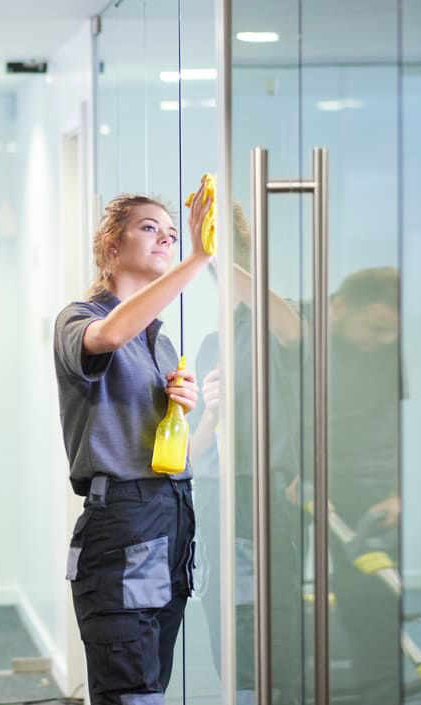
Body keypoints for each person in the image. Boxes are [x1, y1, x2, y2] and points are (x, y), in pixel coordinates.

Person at [53, 188, 211, 704]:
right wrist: (196, 259)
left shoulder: (159, 341)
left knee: (152, 687)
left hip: (171, 516)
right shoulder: (79, 319)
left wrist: (183, 413)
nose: (165, 235)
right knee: (130, 692)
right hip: (123, 522)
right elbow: (109, 336)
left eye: (170, 230)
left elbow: (173, 451)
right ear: (110, 246)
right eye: (149, 227)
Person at [187, 202, 305, 705]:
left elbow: (290, 327)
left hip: (264, 492)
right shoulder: (212, 341)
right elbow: (192, 450)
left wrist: (216, 251)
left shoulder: (276, 324)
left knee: (271, 620)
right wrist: (211, 412)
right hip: (216, 493)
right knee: (224, 617)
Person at [325, 266, 403, 705]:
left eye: (389, 332)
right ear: (338, 308)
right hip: (305, 478)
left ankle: (378, 689)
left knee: (369, 593)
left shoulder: (392, 353)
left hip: (370, 484)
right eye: (374, 328)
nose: (382, 340)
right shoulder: (303, 339)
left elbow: (401, 422)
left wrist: (396, 492)